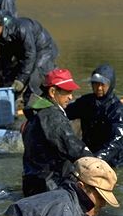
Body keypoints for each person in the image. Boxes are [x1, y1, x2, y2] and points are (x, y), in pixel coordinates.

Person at [22, 68, 94, 197]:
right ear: (52, 91)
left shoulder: (36, 112)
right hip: (50, 187)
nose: (71, 97)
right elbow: (73, 147)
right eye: (67, 92)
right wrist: (96, 164)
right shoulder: (52, 116)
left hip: (32, 183)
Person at [0, 9, 58, 107]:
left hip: (43, 50)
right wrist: (6, 80)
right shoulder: (1, 35)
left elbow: (30, 55)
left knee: (34, 82)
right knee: (11, 80)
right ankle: (12, 107)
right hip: (25, 52)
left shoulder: (21, 29)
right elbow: (6, 60)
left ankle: (39, 108)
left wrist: (21, 79)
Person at [65, 64, 123, 168]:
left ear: (110, 85)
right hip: (90, 154)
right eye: (95, 84)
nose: (99, 88)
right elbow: (64, 113)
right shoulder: (85, 102)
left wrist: (97, 158)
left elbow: (117, 140)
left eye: (102, 85)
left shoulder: (117, 110)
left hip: (113, 161)